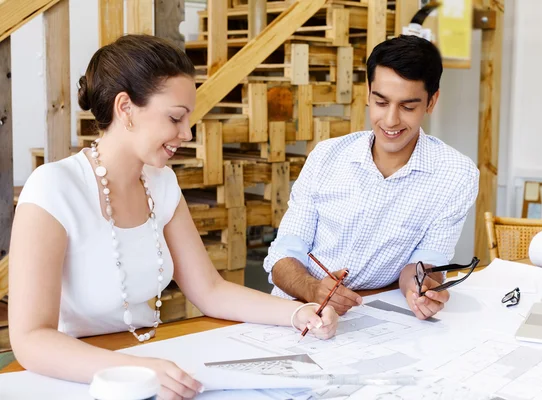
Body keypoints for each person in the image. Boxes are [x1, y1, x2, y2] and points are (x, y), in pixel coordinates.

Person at [8, 34, 338, 400]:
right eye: (175, 118)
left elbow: (209, 291)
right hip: (80, 376)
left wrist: (298, 313)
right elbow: (30, 339)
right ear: (126, 108)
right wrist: (133, 370)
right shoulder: (54, 187)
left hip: (150, 360)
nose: (187, 134)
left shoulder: (161, 183)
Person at [263, 35, 479, 321]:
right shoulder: (326, 156)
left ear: (431, 101)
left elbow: (423, 265)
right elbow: (283, 256)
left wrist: (421, 288)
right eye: (381, 102)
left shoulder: (456, 176)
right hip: (298, 310)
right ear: (368, 93)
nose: (390, 120)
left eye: (408, 107)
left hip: (377, 315)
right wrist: (312, 288)